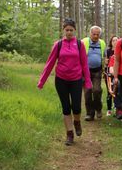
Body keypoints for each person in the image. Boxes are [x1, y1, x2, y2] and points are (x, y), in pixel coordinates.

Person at [38, 18, 92, 146]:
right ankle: (69, 134)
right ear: (63, 30)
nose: (69, 32)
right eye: (67, 30)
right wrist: (42, 81)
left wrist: (88, 82)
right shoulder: (58, 45)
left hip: (76, 80)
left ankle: (77, 122)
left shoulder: (80, 45)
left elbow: (84, 65)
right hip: (61, 80)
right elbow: (50, 63)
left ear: (75, 30)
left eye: (71, 30)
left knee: (77, 107)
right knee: (66, 108)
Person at [82, 26, 106, 121]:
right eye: (94, 34)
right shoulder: (83, 42)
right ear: (90, 33)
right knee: (87, 92)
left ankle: (98, 108)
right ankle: (89, 113)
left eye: (97, 34)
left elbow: (105, 57)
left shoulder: (102, 43)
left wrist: (105, 67)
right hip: (86, 72)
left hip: (97, 71)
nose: (96, 36)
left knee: (96, 90)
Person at [105, 36, 120, 117]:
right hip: (110, 73)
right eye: (113, 40)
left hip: (119, 74)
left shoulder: (121, 50)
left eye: (117, 40)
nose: (115, 41)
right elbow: (106, 61)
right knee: (109, 92)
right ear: (111, 42)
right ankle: (109, 109)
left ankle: (117, 108)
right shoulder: (108, 51)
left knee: (118, 91)